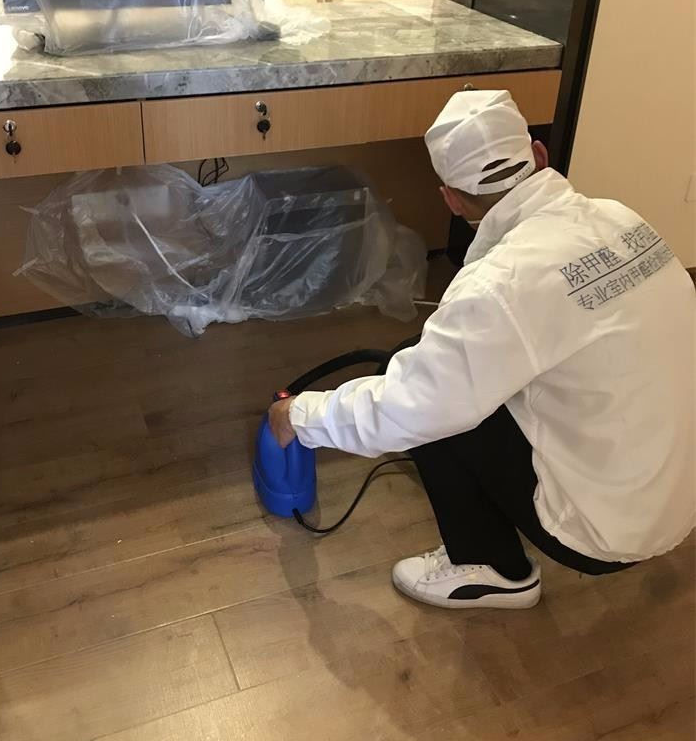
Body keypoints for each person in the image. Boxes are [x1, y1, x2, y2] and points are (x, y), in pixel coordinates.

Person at [269, 89, 695, 610]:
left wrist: (298, 417)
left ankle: (497, 571)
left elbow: (410, 408)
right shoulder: (621, 219)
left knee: (433, 397)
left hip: (604, 534)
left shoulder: (501, 285)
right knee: (445, 372)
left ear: (450, 199)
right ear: (538, 154)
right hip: (678, 497)